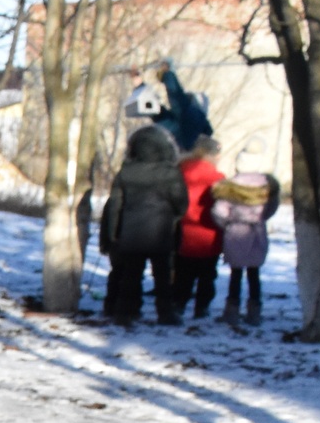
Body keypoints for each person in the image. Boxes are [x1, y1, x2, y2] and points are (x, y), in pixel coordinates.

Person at [99, 125, 186, 324]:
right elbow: (181, 204)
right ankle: (165, 313)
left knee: (130, 275)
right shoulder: (171, 173)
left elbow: (115, 205)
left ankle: (124, 312)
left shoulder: (126, 172)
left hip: (132, 232)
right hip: (161, 232)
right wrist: (172, 219)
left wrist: (113, 234)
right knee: (162, 276)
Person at [208, 170, 277, 325]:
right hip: (257, 235)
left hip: (235, 234)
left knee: (235, 274)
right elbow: (270, 210)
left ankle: (231, 311)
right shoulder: (267, 188)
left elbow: (219, 212)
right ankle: (255, 313)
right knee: (254, 274)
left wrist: (228, 223)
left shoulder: (230, 189)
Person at [175, 136, 226, 322]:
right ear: (212, 155)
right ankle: (201, 307)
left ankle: (178, 303)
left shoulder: (180, 171)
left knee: (183, 273)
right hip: (209, 233)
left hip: (183, 231)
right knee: (207, 274)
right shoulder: (218, 179)